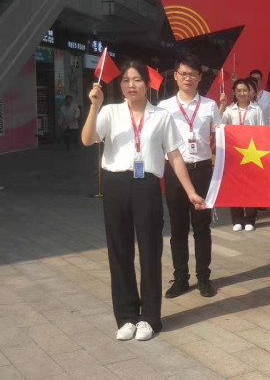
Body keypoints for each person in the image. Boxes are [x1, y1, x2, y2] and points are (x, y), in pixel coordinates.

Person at [81, 61, 205, 342]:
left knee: (150, 250)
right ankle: (126, 316)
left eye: (137, 80)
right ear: (120, 85)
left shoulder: (161, 116)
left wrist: (190, 192)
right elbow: (88, 139)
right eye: (126, 80)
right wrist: (94, 106)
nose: (131, 85)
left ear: (147, 84)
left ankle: (150, 318)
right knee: (119, 251)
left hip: (147, 185)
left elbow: (174, 155)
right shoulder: (110, 112)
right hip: (115, 184)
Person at [158, 54, 221, 299]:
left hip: (203, 171)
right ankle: (181, 278)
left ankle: (204, 277)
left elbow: (221, 137)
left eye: (192, 74)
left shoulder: (209, 106)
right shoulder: (164, 107)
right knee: (178, 227)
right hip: (175, 172)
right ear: (175, 76)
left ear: (199, 78)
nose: (188, 78)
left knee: (202, 227)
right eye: (183, 74)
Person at [219, 78, 265, 231]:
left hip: (253, 153)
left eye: (245, 90)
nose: (242, 93)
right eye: (238, 91)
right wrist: (222, 106)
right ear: (234, 92)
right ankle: (237, 219)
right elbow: (219, 125)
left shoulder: (256, 110)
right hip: (235, 154)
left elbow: (262, 131)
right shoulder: (229, 110)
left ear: (250, 92)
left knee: (251, 185)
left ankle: (250, 219)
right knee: (235, 186)